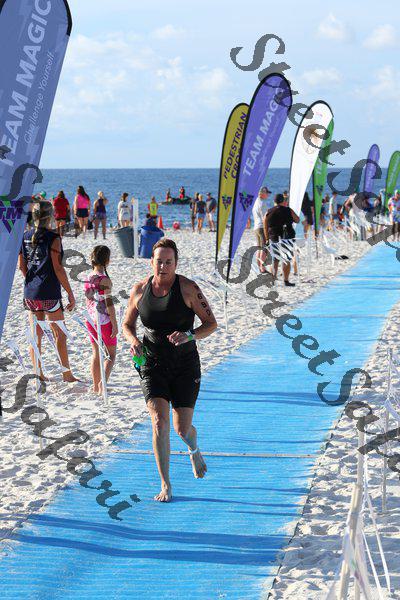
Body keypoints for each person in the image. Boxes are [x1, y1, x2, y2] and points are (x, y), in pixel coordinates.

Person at [123, 238, 217, 502]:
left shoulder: (188, 288)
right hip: (152, 363)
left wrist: (190, 335)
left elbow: (211, 323)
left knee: (182, 430)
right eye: (159, 261)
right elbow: (127, 324)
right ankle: (166, 484)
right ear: (151, 262)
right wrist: (133, 341)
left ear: (176, 263)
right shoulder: (140, 290)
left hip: (184, 364)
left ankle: (194, 449)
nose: (163, 266)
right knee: (159, 422)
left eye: (168, 262)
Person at [18, 200, 78, 382]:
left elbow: (22, 266)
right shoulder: (54, 238)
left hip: (31, 293)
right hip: (49, 292)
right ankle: (66, 374)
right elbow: (58, 268)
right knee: (59, 334)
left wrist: (33, 281)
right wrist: (70, 293)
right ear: (51, 216)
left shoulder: (25, 236)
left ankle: (39, 373)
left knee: (36, 335)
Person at [84, 246, 118, 394]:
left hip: (91, 319)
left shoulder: (89, 276)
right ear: (107, 260)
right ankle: (102, 385)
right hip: (104, 320)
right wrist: (114, 324)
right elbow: (109, 304)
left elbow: (88, 299)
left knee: (96, 353)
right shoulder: (104, 280)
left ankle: (95, 385)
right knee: (111, 355)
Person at [263, 193, 300, 286]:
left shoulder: (268, 212)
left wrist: (267, 239)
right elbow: (297, 220)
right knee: (286, 259)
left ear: (274, 201)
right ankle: (286, 280)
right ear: (283, 201)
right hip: (286, 237)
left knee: (275, 260)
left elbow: (265, 226)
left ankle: (273, 279)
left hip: (274, 237)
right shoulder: (288, 210)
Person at [251, 186, 271, 273]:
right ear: (262, 193)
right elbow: (265, 218)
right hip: (262, 227)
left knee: (259, 247)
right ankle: (262, 268)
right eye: (267, 193)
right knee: (264, 247)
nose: (268, 195)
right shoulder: (262, 203)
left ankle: (259, 267)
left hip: (256, 226)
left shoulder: (256, 202)